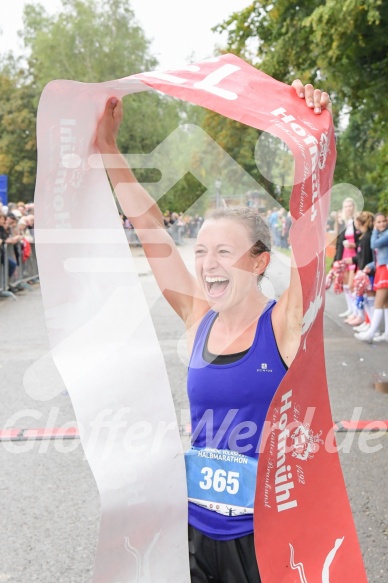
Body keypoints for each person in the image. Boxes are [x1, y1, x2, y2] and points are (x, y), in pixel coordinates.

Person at [94, 80, 332, 583]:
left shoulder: (283, 324)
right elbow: (152, 229)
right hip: (194, 533)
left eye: (224, 252)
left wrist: (314, 141)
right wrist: (109, 151)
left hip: (265, 539)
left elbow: (310, 236)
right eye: (201, 252)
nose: (207, 265)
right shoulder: (197, 317)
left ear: (260, 260)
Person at [355, 212, 388, 343]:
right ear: (374, 222)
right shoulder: (382, 234)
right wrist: (370, 266)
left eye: (383, 221)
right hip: (381, 268)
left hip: (385, 270)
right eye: (378, 222)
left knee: (378, 302)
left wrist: (374, 229)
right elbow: (380, 257)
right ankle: (386, 333)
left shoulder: (385, 235)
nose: (382, 224)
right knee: (385, 304)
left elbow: (373, 245)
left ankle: (372, 333)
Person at [342, 211, 374, 328]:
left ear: (359, 223)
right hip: (363, 268)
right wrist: (353, 259)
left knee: (369, 297)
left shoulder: (366, 238)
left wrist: (360, 270)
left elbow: (365, 257)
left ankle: (370, 323)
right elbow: (361, 256)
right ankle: (368, 322)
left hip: (366, 271)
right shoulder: (364, 236)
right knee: (365, 297)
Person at [333, 198, 360, 318]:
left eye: (350, 206)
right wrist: (337, 259)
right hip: (344, 255)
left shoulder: (358, 221)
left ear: (354, 207)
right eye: (346, 206)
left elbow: (362, 240)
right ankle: (351, 309)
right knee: (345, 285)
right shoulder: (343, 222)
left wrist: (355, 245)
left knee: (352, 285)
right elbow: (339, 242)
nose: (348, 208)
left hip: (355, 255)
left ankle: (357, 313)